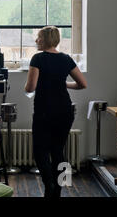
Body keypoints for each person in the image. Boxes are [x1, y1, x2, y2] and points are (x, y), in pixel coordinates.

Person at [25, 26, 87, 198]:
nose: (36, 40)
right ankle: (59, 190)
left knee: (40, 151)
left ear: (45, 40)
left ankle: (49, 185)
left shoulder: (38, 58)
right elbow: (83, 84)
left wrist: (26, 87)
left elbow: (30, 87)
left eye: (38, 37)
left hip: (44, 110)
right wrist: (63, 83)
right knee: (58, 150)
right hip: (65, 110)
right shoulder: (66, 59)